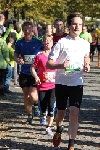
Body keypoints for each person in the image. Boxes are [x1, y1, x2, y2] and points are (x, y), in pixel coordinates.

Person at [46, 12, 90, 150]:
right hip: (62, 83)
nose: (77, 27)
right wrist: (61, 65)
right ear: (69, 26)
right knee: (61, 114)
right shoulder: (62, 42)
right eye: (75, 24)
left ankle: (71, 145)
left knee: (74, 114)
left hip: (77, 83)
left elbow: (86, 57)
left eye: (80, 24)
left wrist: (87, 65)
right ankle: (59, 129)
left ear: (83, 27)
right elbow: (49, 64)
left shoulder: (85, 44)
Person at [14, 21, 43, 124]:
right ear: (23, 30)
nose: (27, 31)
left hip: (36, 73)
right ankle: (29, 116)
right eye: (25, 29)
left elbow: (45, 52)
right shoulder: (19, 42)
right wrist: (18, 60)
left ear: (32, 30)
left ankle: (36, 104)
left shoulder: (39, 41)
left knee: (33, 95)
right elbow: (15, 55)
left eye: (29, 29)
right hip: (24, 72)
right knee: (26, 96)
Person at [30, 34, 56, 135]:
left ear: (52, 43)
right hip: (42, 85)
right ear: (43, 43)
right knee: (43, 104)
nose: (47, 42)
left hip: (53, 85)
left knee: (51, 106)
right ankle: (42, 114)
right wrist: (36, 77)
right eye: (45, 40)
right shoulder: (39, 55)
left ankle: (49, 127)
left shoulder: (56, 55)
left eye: (49, 40)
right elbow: (32, 68)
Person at [0, 28, 10, 96]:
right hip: (1, 63)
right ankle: (1, 92)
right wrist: (8, 61)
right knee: (1, 79)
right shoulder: (3, 41)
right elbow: (5, 53)